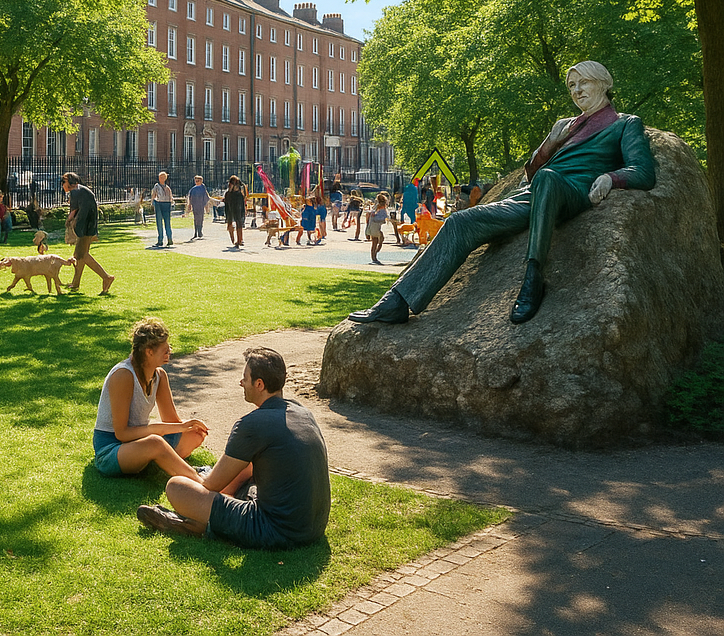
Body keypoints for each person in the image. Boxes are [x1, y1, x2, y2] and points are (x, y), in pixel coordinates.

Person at [348, 61, 657, 327]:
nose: (577, 91)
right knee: (460, 222)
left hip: (572, 191)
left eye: (584, 83)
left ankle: (534, 278)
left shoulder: (624, 124)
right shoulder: (565, 125)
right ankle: (397, 303)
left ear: (604, 84)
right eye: (572, 85)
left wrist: (611, 177)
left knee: (549, 179)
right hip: (534, 193)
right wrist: (550, 142)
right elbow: (533, 172)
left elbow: (643, 171)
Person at [137, 347, 331, 549]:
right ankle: (216, 514)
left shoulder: (252, 424)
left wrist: (197, 479)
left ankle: (197, 526)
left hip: (276, 530)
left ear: (259, 384)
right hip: (313, 527)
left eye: (244, 378)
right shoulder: (302, 412)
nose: (241, 383)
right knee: (247, 467)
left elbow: (211, 485)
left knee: (177, 487)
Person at [93, 317, 209, 479]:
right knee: (155, 443)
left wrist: (187, 426)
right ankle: (201, 482)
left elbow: (171, 421)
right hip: (111, 450)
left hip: (141, 441)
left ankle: (155, 459)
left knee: (194, 434)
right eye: (166, 351)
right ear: (149, 352)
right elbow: (122, 434)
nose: (170, 353)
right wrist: (156, 430)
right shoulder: (123, 375)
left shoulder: (159, 375)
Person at [63, 172, 115, 293]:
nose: (63, 185)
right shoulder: (79, 190)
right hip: (88, 225)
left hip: (85, 227)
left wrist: (68, 222)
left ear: (70, 183)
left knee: (82, 255)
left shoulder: (76, 191)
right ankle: (75, 284)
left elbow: (73, 212)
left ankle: (106, 277)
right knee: (80, 255)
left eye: (64, 182)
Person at [150, 171, 174, 247]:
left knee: (167, 222)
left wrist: (171, 202)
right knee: (159, 222)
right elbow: (154, 194)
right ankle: (160, 240)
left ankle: (169, 239)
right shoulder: (157, 186)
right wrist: (152, 202)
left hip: (166, 204)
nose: (162, 179)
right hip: (159, 203)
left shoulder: (167, 188)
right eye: (160, 177)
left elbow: (170, 197)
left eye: (163, 177)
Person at [223, 175, 247, 248]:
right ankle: (235, 240)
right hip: (230, 209)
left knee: (238, 223)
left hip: (237, 209)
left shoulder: (239, 194)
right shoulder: (229, 193)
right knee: (231, 223)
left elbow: (242, 201)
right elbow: (226, 201)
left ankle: (239, 240)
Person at [366, 193, 389, 264]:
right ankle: (375, 255)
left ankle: (375, 255)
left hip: (373, 225)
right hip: (375, 226)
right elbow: (380, 217)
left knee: (377, 240)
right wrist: (385, 219)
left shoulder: (377, 207)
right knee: (376, 241)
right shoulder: (381, 208)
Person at [186, 175, 211, 240]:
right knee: (196, 218)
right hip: (195, 205)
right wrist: (189, 205)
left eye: (198, 181)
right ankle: (196, 232)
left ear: (201, 181)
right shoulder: (193, 189)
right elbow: (190, 197)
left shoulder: (203, 188)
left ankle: (200, 231)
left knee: (200, 218)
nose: (197, 182)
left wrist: (206, 206)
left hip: (201, 205)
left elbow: (206, 197)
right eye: (196, 181)